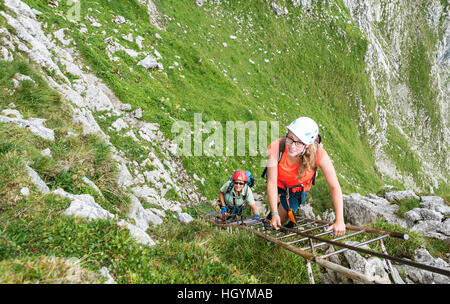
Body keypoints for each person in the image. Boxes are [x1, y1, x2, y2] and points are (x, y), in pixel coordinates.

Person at [266, 117, 346, 236]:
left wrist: (340, 220)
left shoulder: (319, 154)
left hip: (296, 190)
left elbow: (335, 187)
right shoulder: (276, 147)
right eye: (290, 138)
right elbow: (271, 182)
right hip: (278, 184)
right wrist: (274, 213)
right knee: (276, 212)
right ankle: (275, 207)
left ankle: (276, 218)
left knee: (281, 219)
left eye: (299, 143)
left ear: (308, 145)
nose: (292, 146)